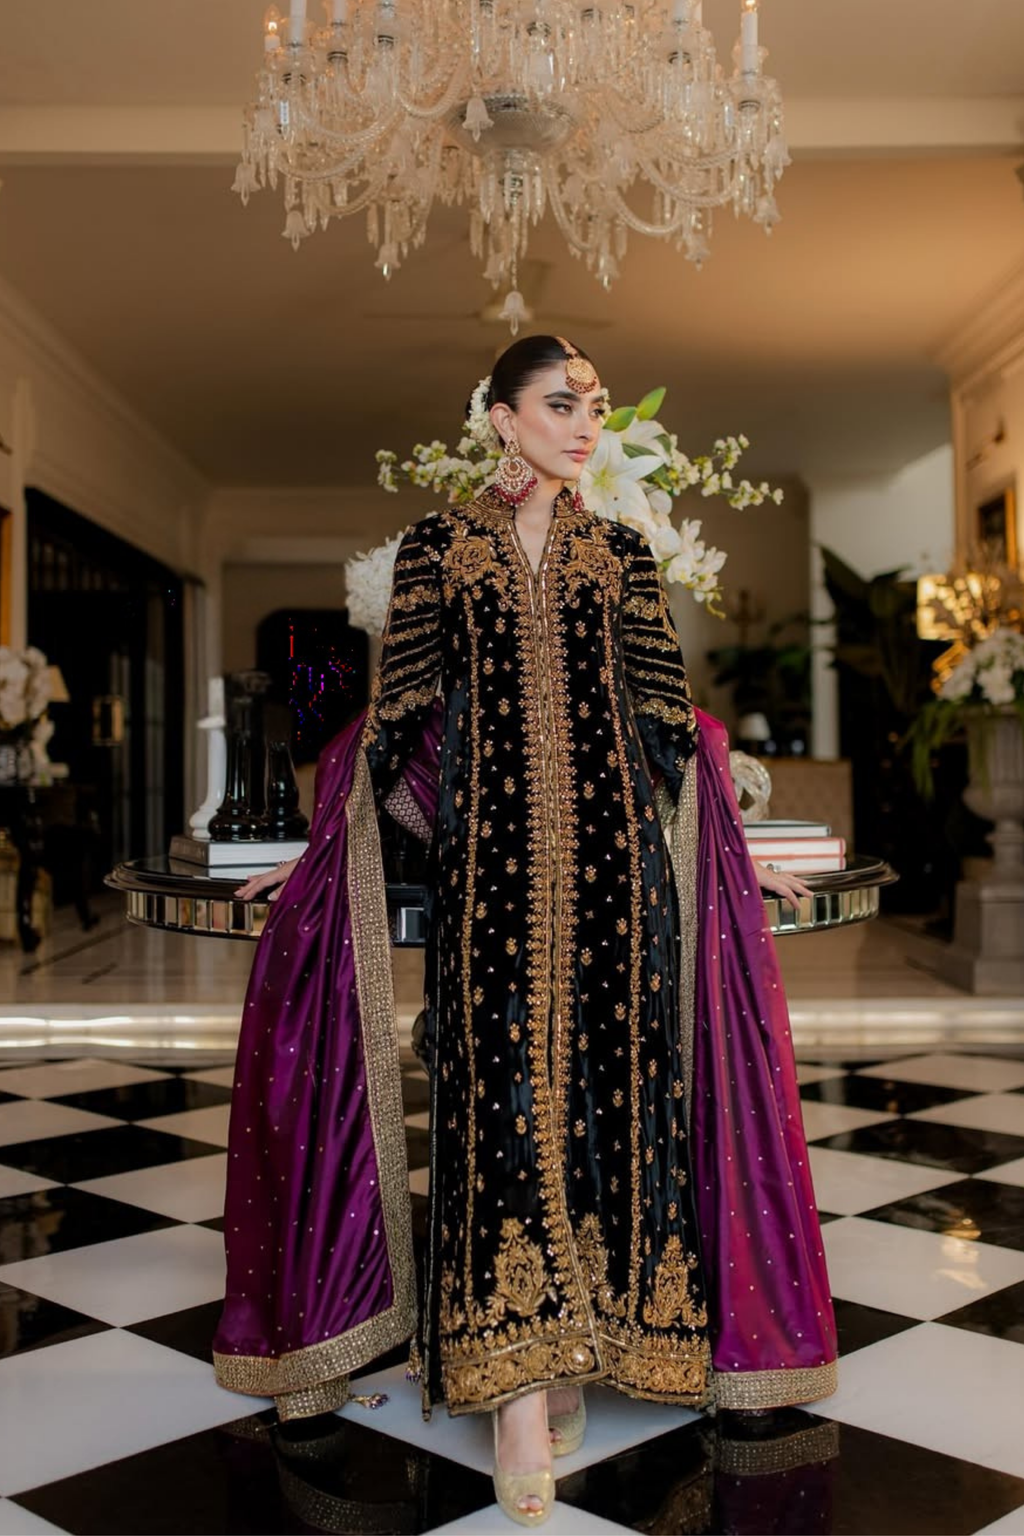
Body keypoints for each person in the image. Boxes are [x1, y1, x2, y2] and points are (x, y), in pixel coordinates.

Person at [213, 336, 837, 1527]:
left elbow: (666, 726)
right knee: (497, 1101)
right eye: (561, 403)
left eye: (593, 405)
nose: (584, 422)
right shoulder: (440, 549)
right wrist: (320, 851)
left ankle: (592, 1343)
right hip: (491, 877)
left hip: (617, 882)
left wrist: (731, 850)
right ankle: (511, 1382)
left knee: (615, 1102)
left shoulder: (619, 551)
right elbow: (395, 721)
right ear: (501, 419)